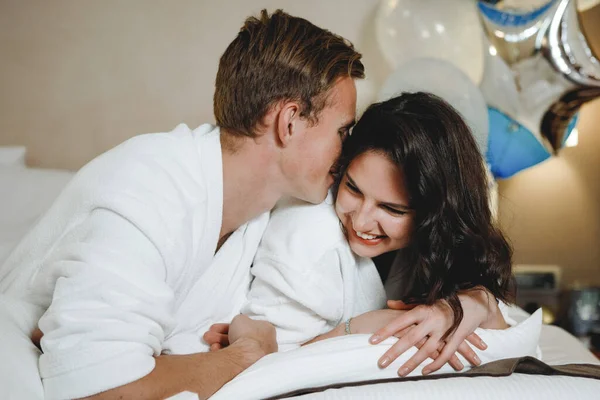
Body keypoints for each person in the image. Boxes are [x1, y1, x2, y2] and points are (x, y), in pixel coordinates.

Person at [0, 9, 364, 400]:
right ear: (289, 121)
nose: (349, 150)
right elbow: (97, 391)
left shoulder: (262, 216)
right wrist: (247, 355)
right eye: (343, 130)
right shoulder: (150, 187)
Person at [205, 92, 514, 377]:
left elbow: (509, 340)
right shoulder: (310, 235)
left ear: (435, 218)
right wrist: (360, 328)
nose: (361, 221)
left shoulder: (433, 245)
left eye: (392, 209)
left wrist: (478, 302)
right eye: (352, 187)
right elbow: (265, 371)